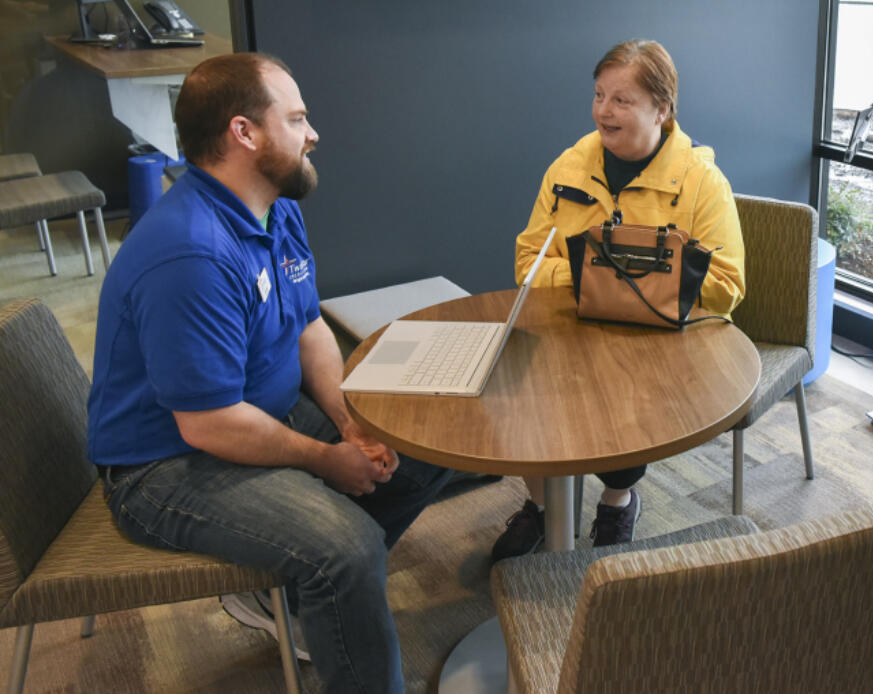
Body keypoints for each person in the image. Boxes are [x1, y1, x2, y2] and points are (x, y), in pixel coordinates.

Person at [87, 52, 451, 693]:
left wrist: (349, 424)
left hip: (258, 416)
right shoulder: (190, 251)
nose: (314, 135)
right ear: (244, 133)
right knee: (347, 549)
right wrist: (324, 458)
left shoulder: (274, 205)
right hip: (163, 464)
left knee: (421, 447)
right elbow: (207, 425)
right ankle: (319, 587)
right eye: (298, 118)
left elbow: (310, 326)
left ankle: (300, 598)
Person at [492, 39, 746, 561]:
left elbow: (726, 286)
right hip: (569, 329)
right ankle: (539, 509)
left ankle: (618, 500)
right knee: (523, 394)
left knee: (624, 412)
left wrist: (608, 276)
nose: (603, 111)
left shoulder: (702, 183)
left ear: (663, 109)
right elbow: (528, 264)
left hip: (652, 343)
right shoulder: (568, 166)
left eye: (622, 100)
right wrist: (619, 276)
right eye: (599, 95)